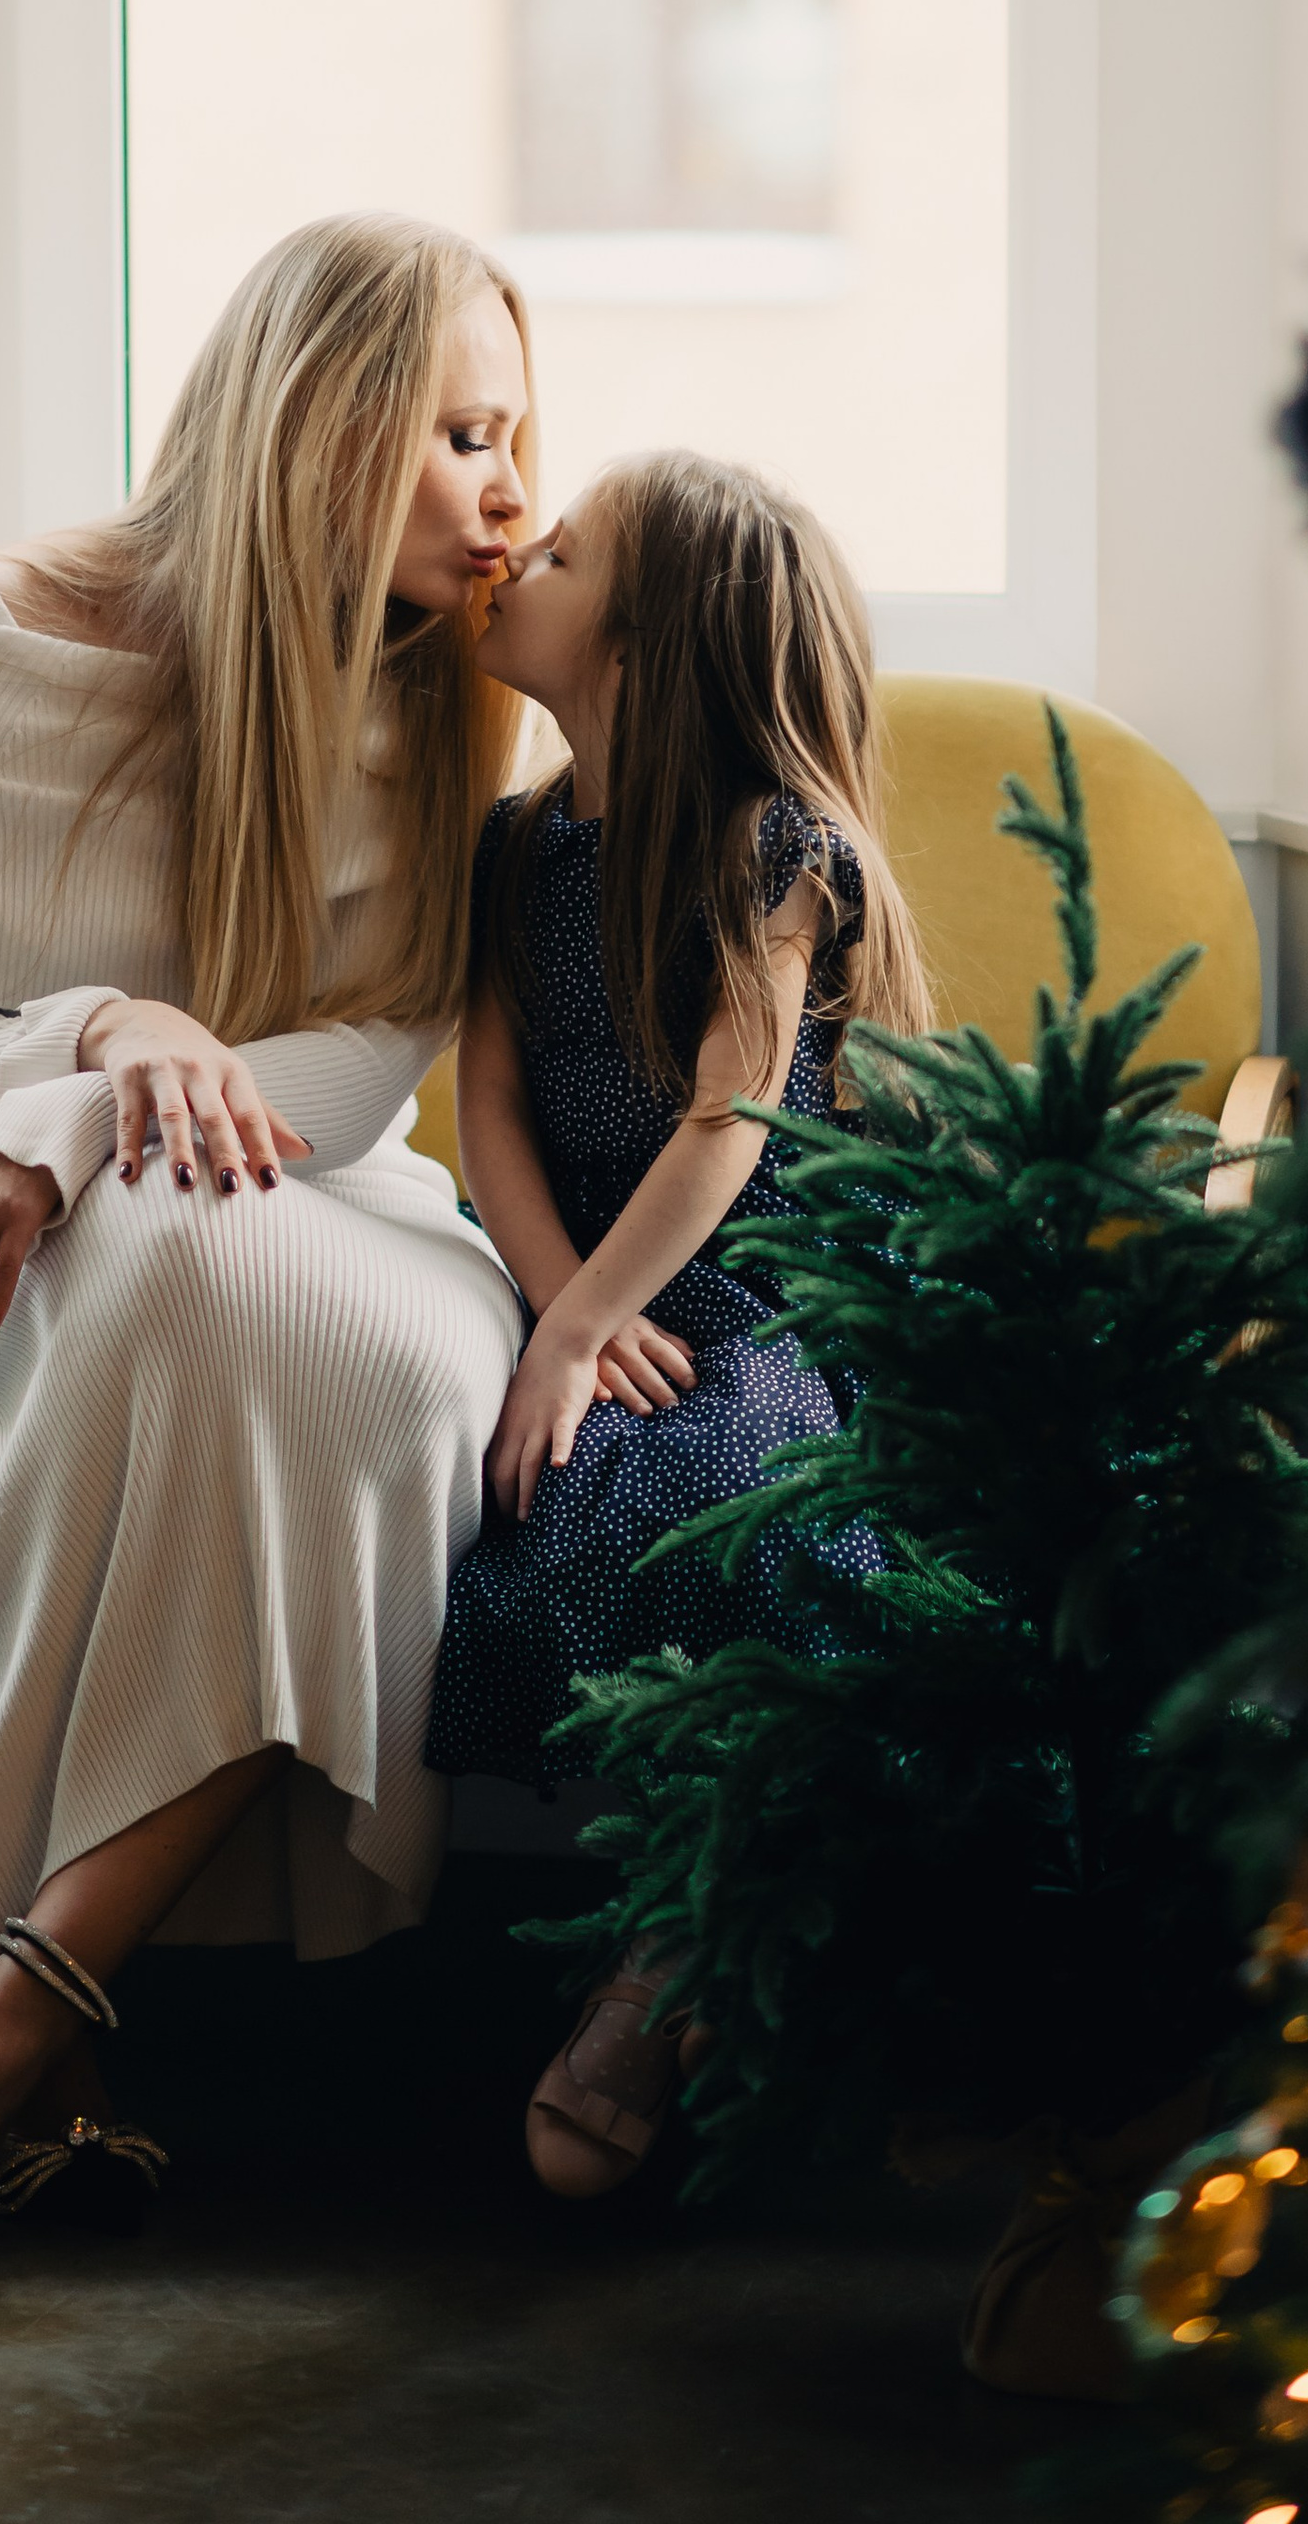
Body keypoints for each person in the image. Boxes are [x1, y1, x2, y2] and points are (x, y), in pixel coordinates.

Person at [0, 216, 535, 2266]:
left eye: (515, 433)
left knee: (363, 1355)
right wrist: (97, 1052)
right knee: (168, 1276)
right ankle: (14, 2028)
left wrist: (84, 1116)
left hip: (331, 1201)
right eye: (460, 431)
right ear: (322, 426)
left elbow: (356, 1080)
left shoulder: (444, 685)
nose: (511, 492)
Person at [423, 448, 932, 2197]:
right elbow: (486, 1108)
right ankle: (691, 1910)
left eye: (555, 551)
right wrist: (561, 1308)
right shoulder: (509, 849)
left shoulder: (767, 846)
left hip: (751, 1294)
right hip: (590, 1284)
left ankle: (681, 1941)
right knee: (559, 1513)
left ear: (641, 647)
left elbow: (732, 1114)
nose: (513, 555)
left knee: (732, 1501)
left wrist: (586, 1331)